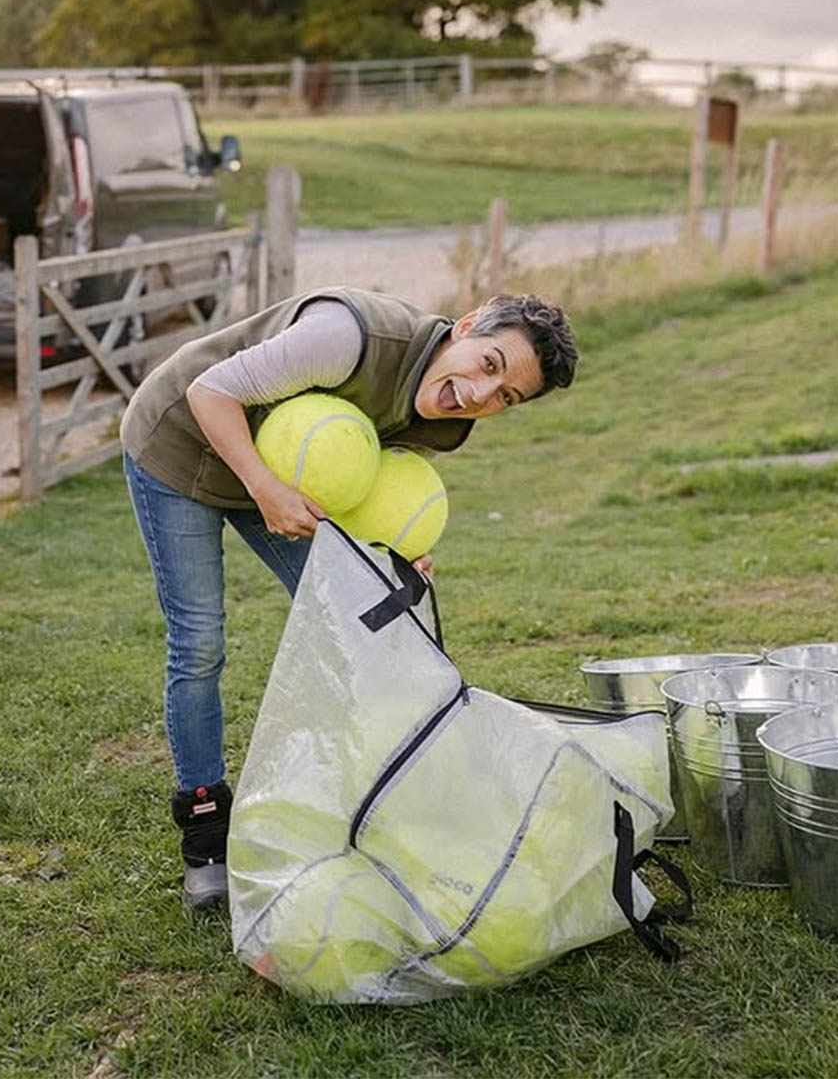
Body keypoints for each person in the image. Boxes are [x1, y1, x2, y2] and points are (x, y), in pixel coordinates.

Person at [119, 286, 578, 909]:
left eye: (506, 398)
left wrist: (396, 549)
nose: (478, 395)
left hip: (276, 472)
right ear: (467, 326)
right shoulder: (347, 338)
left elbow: (363, 473)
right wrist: (263, 489)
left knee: (362, 616)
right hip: (180, 443)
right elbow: (209, 390)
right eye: (488, 364)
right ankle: (205, 834)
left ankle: (377, 802)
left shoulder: (446, 419)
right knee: (199, 641)